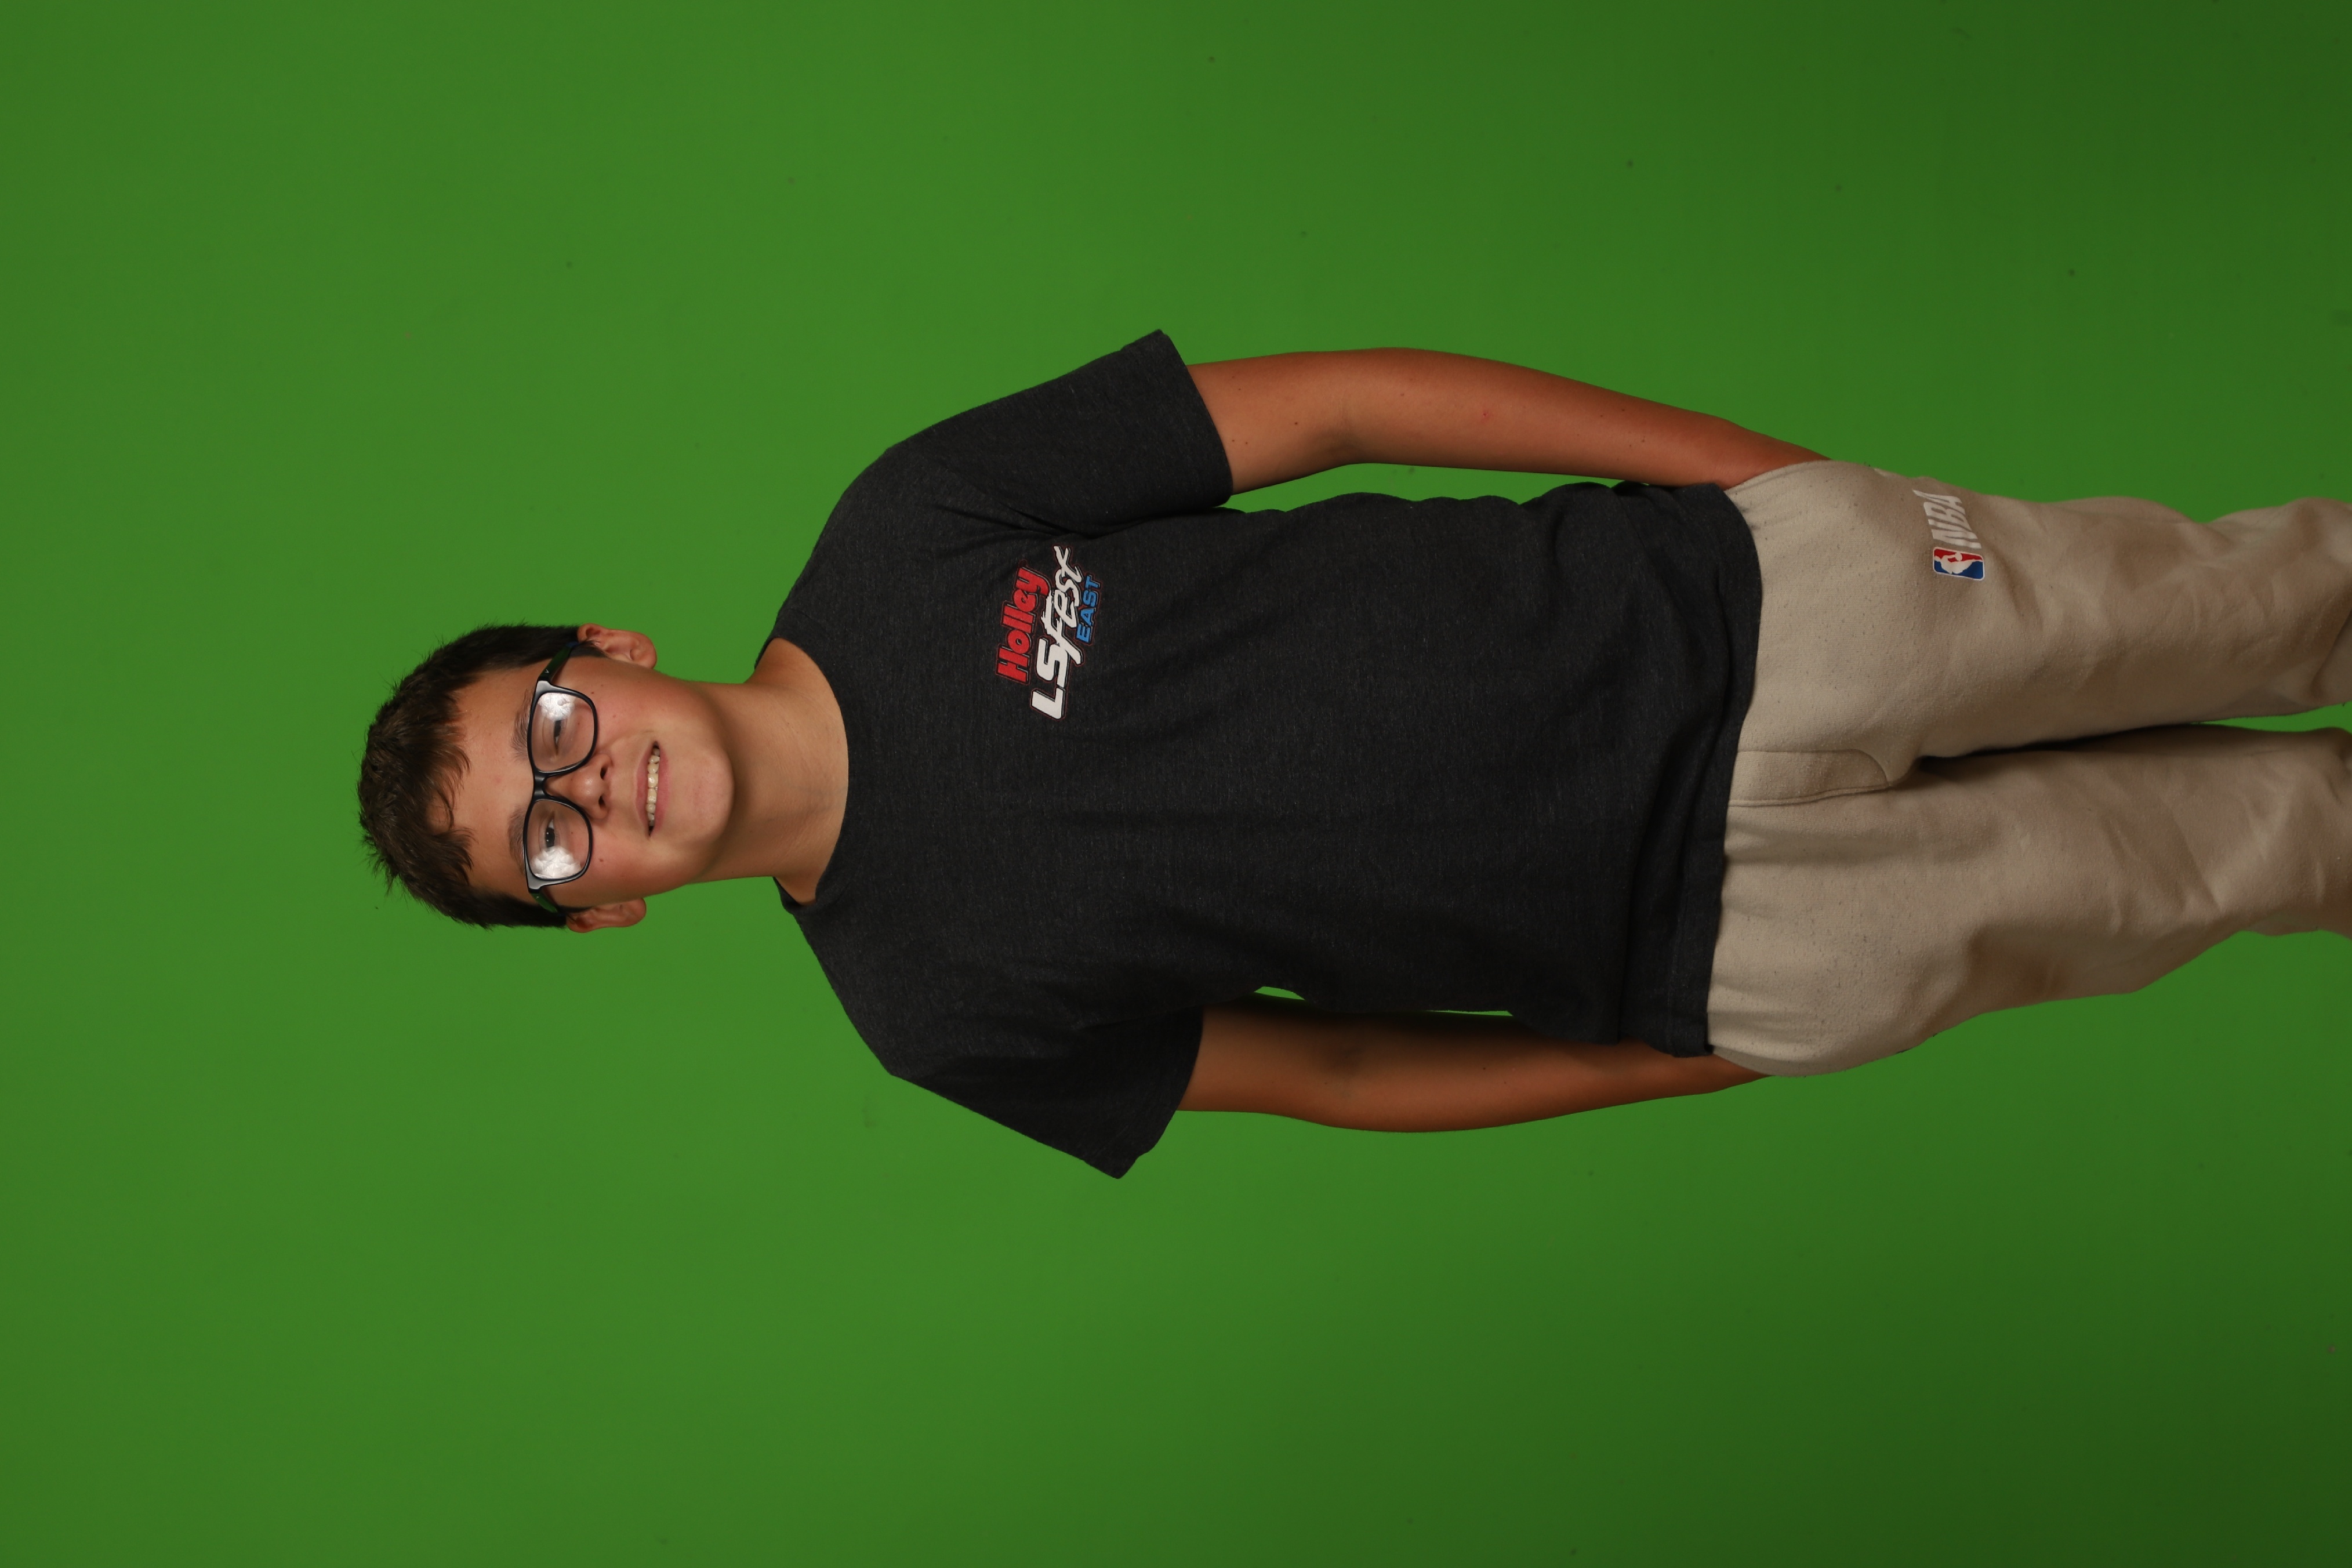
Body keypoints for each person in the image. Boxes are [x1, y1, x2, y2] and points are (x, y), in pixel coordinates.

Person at [358, 333, 2352, 1176]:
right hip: (1741, 938)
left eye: (554, 729)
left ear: (607, 650)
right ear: (600, 915)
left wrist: (1757, 487)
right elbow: (1341, 1074)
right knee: (2275, 855)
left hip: (1755, 615)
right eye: (549, 843)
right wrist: (1677, 1049)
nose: (589, 790)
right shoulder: (930, 1013)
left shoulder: (910, 528)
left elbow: (1344, 405)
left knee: (2279, 599)